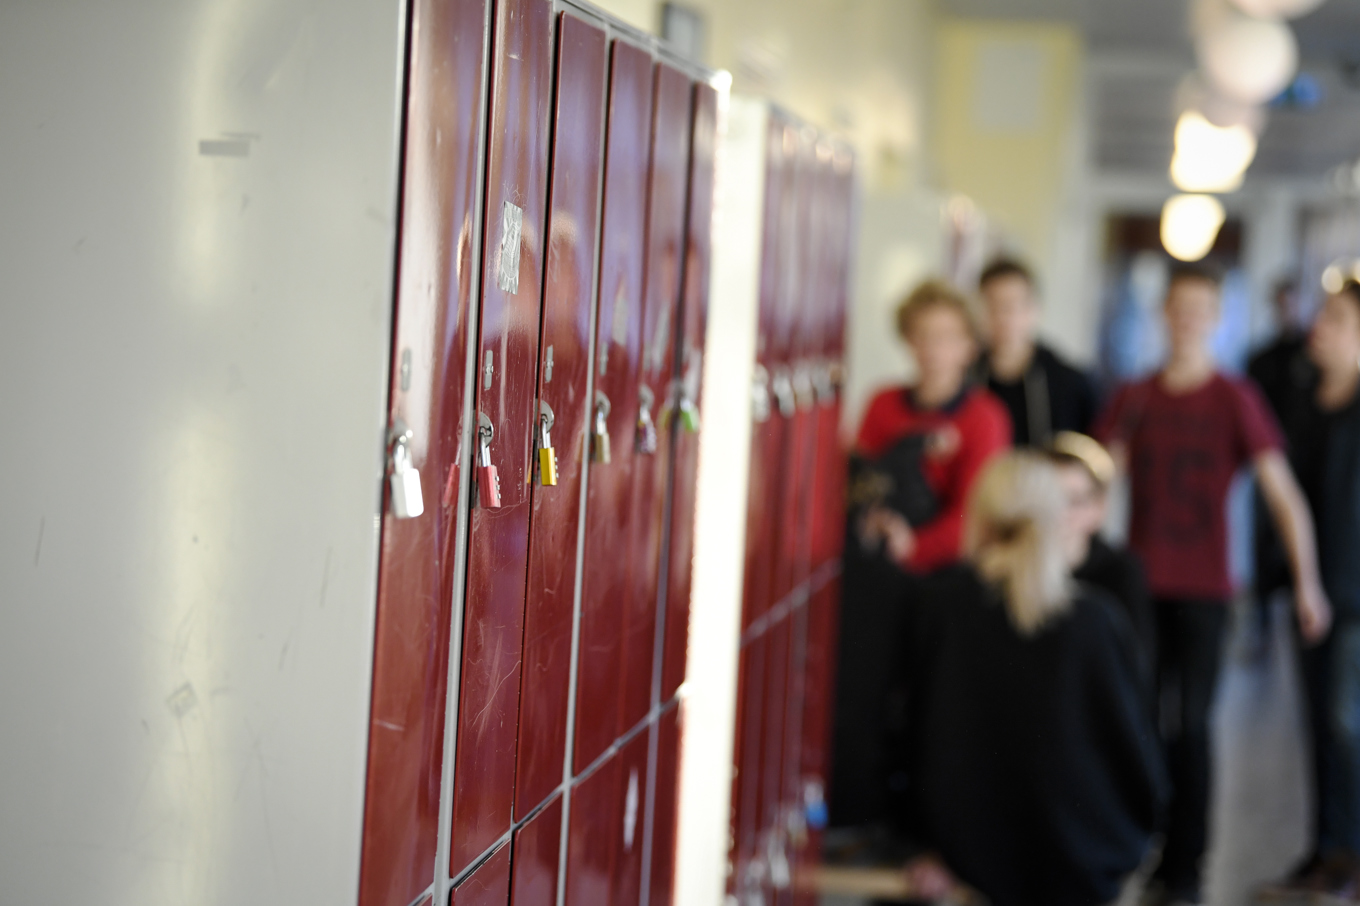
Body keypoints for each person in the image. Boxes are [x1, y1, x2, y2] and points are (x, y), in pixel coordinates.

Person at [1094, 262, 1332, 906]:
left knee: (1193, 725)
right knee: (1140, 719)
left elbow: (1283, 493)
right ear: (1163, 314)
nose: (1188, 320)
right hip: (1141, 587)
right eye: (1179, 308)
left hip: (1206, 588)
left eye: (1201, 309)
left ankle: (1188, 864)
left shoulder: (1234, 397)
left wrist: (1307, 582)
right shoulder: (1135, 395)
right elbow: (1096, 481)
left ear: (1217, 318)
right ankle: (1141, 843)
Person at [899, 452, 1167, 906]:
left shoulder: (938, 605)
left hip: (957, 857)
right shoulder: (1094, 621)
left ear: (979, 517)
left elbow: (908, 733)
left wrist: (921, 844)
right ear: (1057, 520)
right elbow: (1134, 750)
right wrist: (1121, 850)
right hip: (1078, 860)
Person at [830, 279, 1010, 830]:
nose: (934, 349)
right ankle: (860, 812)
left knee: (931, 701)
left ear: (968, 346)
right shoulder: (883, 402)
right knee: (863, 691)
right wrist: (874, 521)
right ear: (908, 340)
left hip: (944, 581)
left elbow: (976, 512)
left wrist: (914, 545)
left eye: (947, 337)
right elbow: (861, 480)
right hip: (877, 575)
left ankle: (922, 822)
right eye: (923, 335)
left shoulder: (984, 416)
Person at [1262, 281, 1360, 897]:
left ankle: (1349, 858)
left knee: (1348, 728)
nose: (1319, 326)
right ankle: (1325, 851)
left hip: (1354, 596)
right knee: (1319, 728)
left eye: (1337, 318)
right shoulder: (1304, 399)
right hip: (1308, 588)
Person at [1044, 431, 1155, 692]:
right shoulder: (1019, 566)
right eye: (1049, 499)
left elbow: (1137, 664)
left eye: (1074, 501)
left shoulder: (1122, 571)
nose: (1060, 513)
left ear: (1099, 508)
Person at [975, 257, 1099, 446]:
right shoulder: (965, 380)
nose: (1003, 318)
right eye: (993, 306)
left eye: (1013, 306)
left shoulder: (1071, 385)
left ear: (1034, 309)